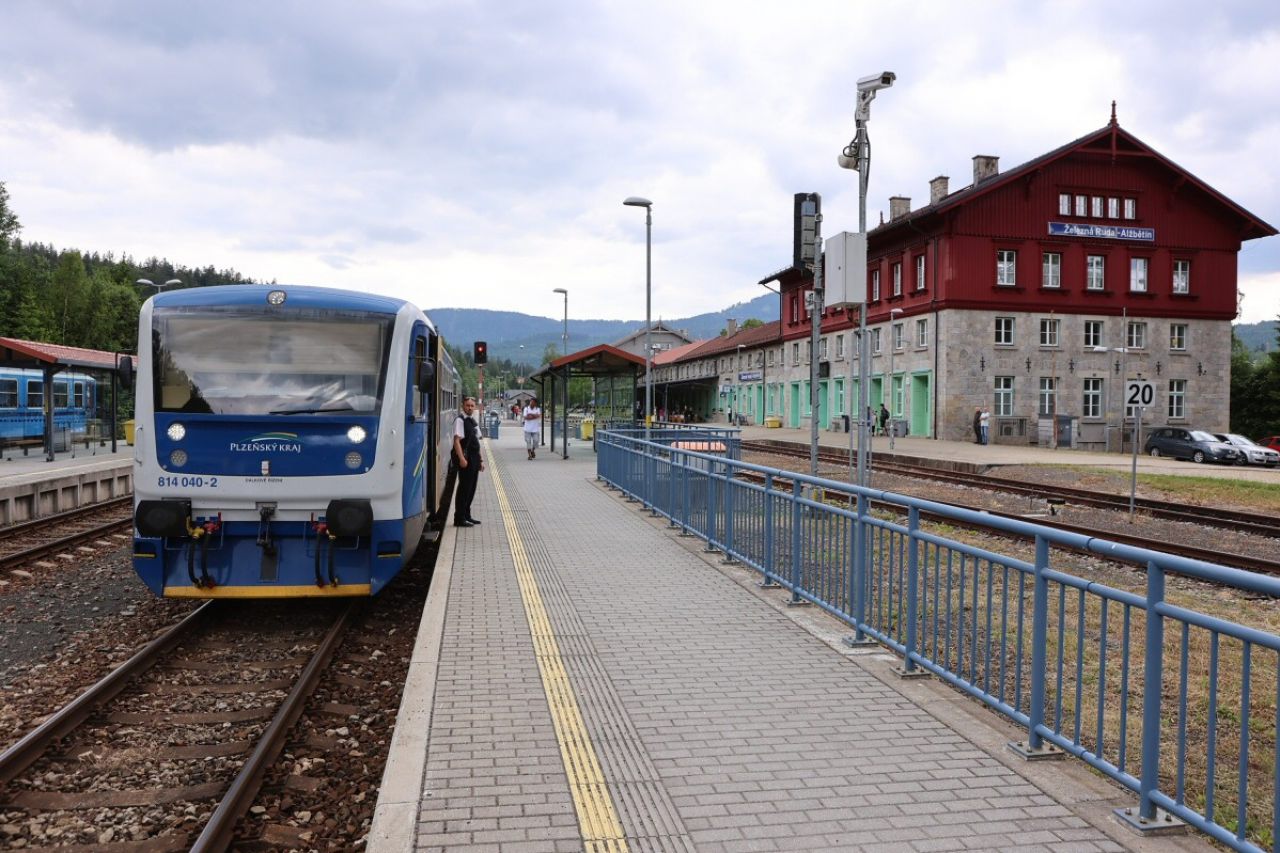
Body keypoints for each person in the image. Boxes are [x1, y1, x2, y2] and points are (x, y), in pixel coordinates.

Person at [451, 397, 484, 528]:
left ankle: (467, 515)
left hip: (474, 458)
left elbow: (477, 442)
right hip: (466, 458)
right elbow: (457, 441)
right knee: (464, 488)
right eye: (467, 405)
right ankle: (459, 518)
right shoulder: (460, 420)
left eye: (472, 406)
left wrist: (480, 460)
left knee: (471, 488)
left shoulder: (472, 421)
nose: (470, 408)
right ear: (462, 406)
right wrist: (462, 459)